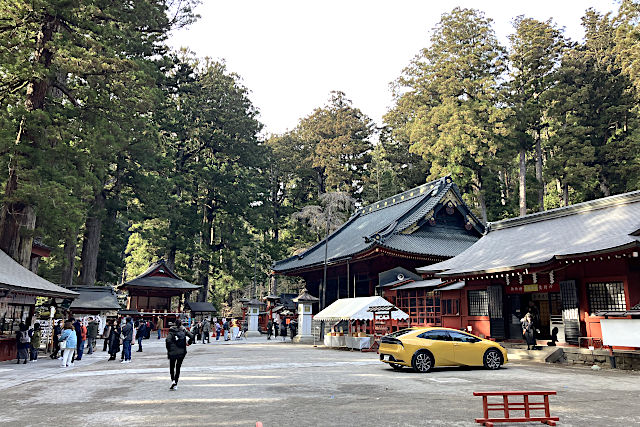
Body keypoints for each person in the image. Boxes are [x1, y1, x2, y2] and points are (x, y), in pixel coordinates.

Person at [165, 319, 194, 391]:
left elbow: (167, 340)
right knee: (178, 367)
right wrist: (188, 343)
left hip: (172, 351)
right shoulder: (184, 330)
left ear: (174, 324)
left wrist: (169, 349)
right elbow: (192, 336)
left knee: (172, 366)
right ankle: (176, 383)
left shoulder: (171, 331)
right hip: (182, 351)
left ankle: (173, 381)